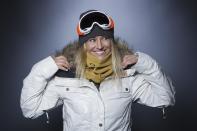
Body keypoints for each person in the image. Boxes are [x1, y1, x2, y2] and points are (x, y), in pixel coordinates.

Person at [20, 10, 175, 131]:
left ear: (112, 41)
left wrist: (144, 62)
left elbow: (165, 98)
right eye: (92, 40)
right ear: (83, 45)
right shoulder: (66, 78)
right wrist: (43, 68)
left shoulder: (128, 76)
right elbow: (30, 109)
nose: (99, 46)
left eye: (105, 38)